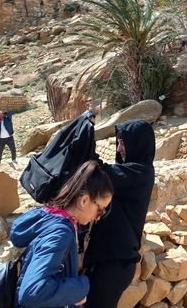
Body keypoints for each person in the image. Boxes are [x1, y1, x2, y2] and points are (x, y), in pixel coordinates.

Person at [11, 160, 113, 308]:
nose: (99, 217)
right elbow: (32, 292)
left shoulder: (49, 217)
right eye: (100, 209)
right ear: (84, 200)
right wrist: (79, 288)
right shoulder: (60, 233)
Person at [83, 119, 155, 308]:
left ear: (138, 143)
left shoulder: (141, 172)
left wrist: (85, 139)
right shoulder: (130, 172)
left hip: (116, 264)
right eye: (118, 142)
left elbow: (100, 172)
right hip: (107, 260)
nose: (119, 149)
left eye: (124, 142)